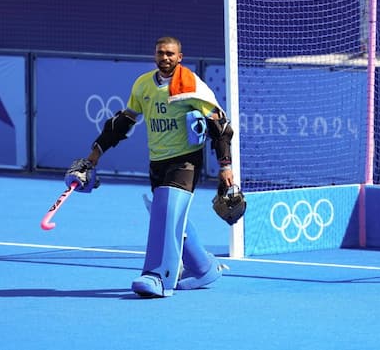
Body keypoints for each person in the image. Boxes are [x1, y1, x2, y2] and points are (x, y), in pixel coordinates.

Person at [64, 36, 245, 298]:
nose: (165, 58)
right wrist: (93, 158)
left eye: (171, 54)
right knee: (167, 213)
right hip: (157, 160)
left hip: (186, 160)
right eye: (161, 53)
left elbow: (220, 127)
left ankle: (157, 276)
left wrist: (225, 167)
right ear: (155, 55)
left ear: (180, 57)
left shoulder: (190, 84)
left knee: (167, 210)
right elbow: (122, 123)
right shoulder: (143, 85)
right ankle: (204, 267)